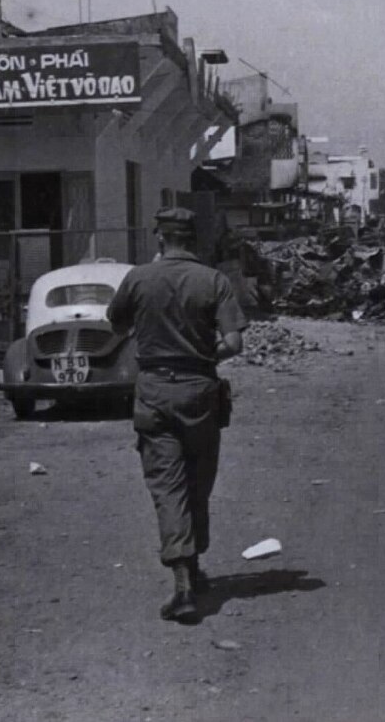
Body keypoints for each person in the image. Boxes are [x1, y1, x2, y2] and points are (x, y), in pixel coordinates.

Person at [107, 207, 248, 623]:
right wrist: (203, 354)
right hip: (200, 389)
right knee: (198, 481)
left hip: (154, 391)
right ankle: (195, 565)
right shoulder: (214, 280)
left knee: (168, 487)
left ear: (160, 239)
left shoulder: (137, 278)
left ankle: (183, 583)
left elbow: (116, 327)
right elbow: (235, 343)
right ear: (192, 239)